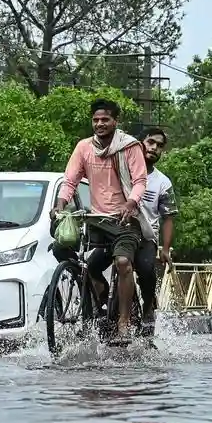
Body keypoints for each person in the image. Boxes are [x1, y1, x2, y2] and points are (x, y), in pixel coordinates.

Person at [50, 98, 149, 342]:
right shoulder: (84, 147)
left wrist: (130, 203)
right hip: (96, 220)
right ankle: (102, 308)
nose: (100, 124)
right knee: (75, 257)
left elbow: (140, 182)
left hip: (125, 220)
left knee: (124, 263)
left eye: (105, 119)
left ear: (116, 121)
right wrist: (60, 205)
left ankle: (124, 322)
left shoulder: (129, 147)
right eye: (95, 120)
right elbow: (70, 181)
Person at [81, 127, 177, 336]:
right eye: (150, 142)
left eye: (160, 146)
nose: (154, 148)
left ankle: (148, 306)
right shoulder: (119, 169)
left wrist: (166, 249)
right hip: (116, 231)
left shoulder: (162, 182)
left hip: (145, 237)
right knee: (92, 267)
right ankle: (104, 304)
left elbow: (169, 217)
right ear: (138, 143)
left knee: (145, 270)